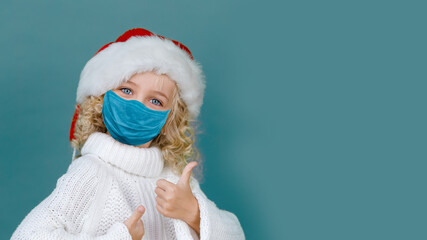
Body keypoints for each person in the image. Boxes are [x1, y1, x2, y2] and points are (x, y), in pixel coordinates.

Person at [11, 28, 245, 240]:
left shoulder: (174, 179)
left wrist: (194, 213)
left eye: (155, 100)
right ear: (102, 98)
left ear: (170, 117)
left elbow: (236, 234)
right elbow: (27, 236)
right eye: (126, 90)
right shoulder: (91, 173)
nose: (137, 105)